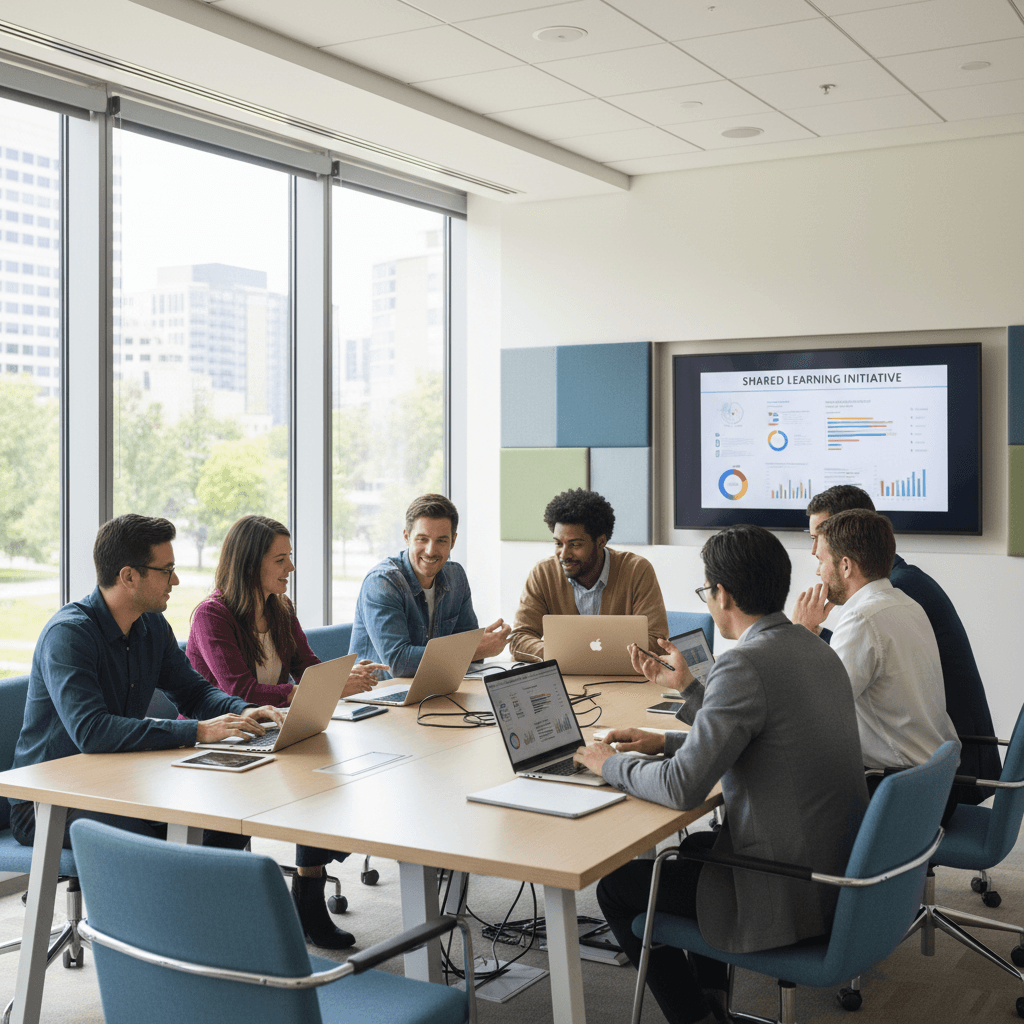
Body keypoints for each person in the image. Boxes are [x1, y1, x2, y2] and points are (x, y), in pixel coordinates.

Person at [574, 525, 868, 1024]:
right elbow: (769, 736)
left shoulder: (744, 664)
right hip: (835, 873)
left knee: (617, 887)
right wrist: (664, 737)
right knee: (692, 852)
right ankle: (712, 1001)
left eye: (706, 590)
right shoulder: (814, 646)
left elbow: (680, 787)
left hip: (785, 887)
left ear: (722, 593)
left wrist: (609, 763)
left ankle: (696, 1016)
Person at [9, 514, 283, 853]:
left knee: (229, 812)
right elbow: (92, 732)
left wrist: (247, 711)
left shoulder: (152, 626)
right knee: (157, 847)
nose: (176, 580)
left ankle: (194, 903)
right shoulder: (69, 635)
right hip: (47, 802)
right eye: (166, 570)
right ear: (129, 576)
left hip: (120, 783)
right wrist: (198, 731)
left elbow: (194, 692)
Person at [187, 514, 387, 949]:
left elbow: (307, 668)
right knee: (307, 779)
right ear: (248, 563)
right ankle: (225, 920)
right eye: (280, 559)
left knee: (325, 781)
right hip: (225, 741)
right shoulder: (212, 615)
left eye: (289, 557)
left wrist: (343, 675)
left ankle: (308, 898)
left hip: (271, 732)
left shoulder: (280, 609)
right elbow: (239, 690)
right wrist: (319, 688)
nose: (290, 568)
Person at [796, 484, 999, 803]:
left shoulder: (867, 613)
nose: (814, 559)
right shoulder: (902, 596)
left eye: (819, 540)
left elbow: (819, 707)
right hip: (936, 770)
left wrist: (799, 634)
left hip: (912, 786)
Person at [792, 508, 958, 777]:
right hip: (933, 783)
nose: (818, 572)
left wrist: (799, 633)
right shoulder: (907, 604)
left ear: (845, 566)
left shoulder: (861, 619)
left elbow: (813, 711)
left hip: (897, 788)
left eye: (821, 561)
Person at [349, 494, 510, 677]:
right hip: (381, 695)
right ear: (406, 536)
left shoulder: (456, 577)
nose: (431, 550)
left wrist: (476, 648)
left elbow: (471, 658)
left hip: (435, 687)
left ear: (453, 541)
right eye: (422, 539)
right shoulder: (382, 582)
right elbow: (399, 663)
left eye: (441, 540)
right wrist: (475, 649)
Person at [508, 487, 669, 662]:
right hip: (566, 682)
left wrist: (575, 654)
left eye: (575, 545)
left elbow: (656, 642)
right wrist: (561, 653)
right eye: (558, 544)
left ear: (600, 542)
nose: (563, 554)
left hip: (624, 682)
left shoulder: (636, 570)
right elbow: (519, 639)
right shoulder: (543, 573)